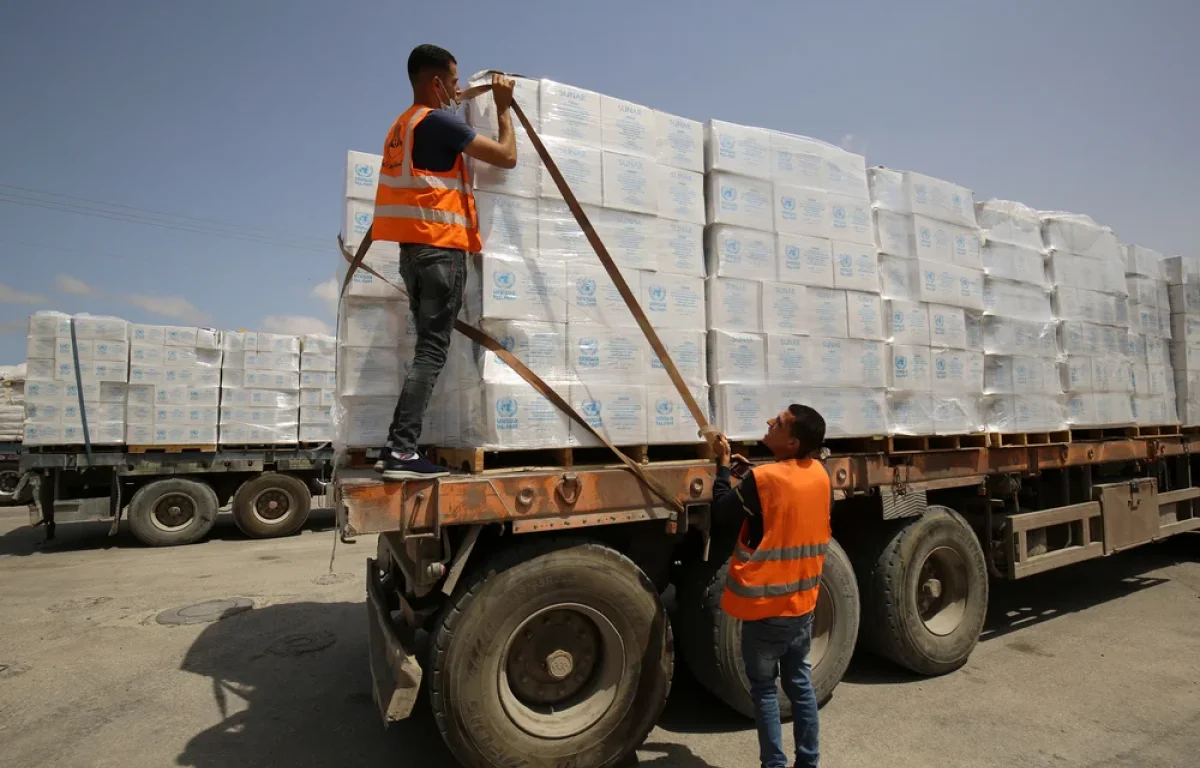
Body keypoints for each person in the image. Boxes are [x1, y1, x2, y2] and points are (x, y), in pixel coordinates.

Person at [369, 44, 517, 481]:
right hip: (441, 248)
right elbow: (506, 157)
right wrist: (503, 110)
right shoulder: (438, 121)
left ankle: (396, 447)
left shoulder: (402, 126)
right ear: (436, 83)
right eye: (454, 82)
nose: (457, 90)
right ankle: (400, 450)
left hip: (414, 253)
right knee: (432, 351)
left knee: (426, 350)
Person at [711, 405, 831, 768]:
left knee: (764, 689)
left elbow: (721, 510)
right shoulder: (819, 475)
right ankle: (808, 762)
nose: (768, 422)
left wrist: (721, 465)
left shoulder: (766, 480)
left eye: (778, 423)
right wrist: (747, 474)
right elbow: (782, 506)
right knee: (799, 684)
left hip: (767, 608)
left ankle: (773, 765)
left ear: (792, 442)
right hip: (803, 603)